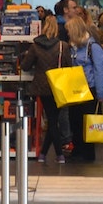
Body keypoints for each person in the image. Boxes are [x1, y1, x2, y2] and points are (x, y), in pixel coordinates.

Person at [19, 14, 74, 164]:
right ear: (57, 29)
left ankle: (44, 153)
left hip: (42, 87)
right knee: (53, 120)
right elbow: (69, 66)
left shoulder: (35, 46)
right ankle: (59, 154)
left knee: (51, 120)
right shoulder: (63, 46)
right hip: (58, 87)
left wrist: (23, 56)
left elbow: (25, 66)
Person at [65, 17, 103, 162]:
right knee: (74, 120)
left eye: (69, 30)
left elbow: (99, 70)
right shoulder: (73, 47)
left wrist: (101, 93)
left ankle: (88, 153)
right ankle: (77, 150)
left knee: (87, 122)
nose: (67, 33)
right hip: (75, 89)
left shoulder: (93, 47)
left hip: (90, 88)